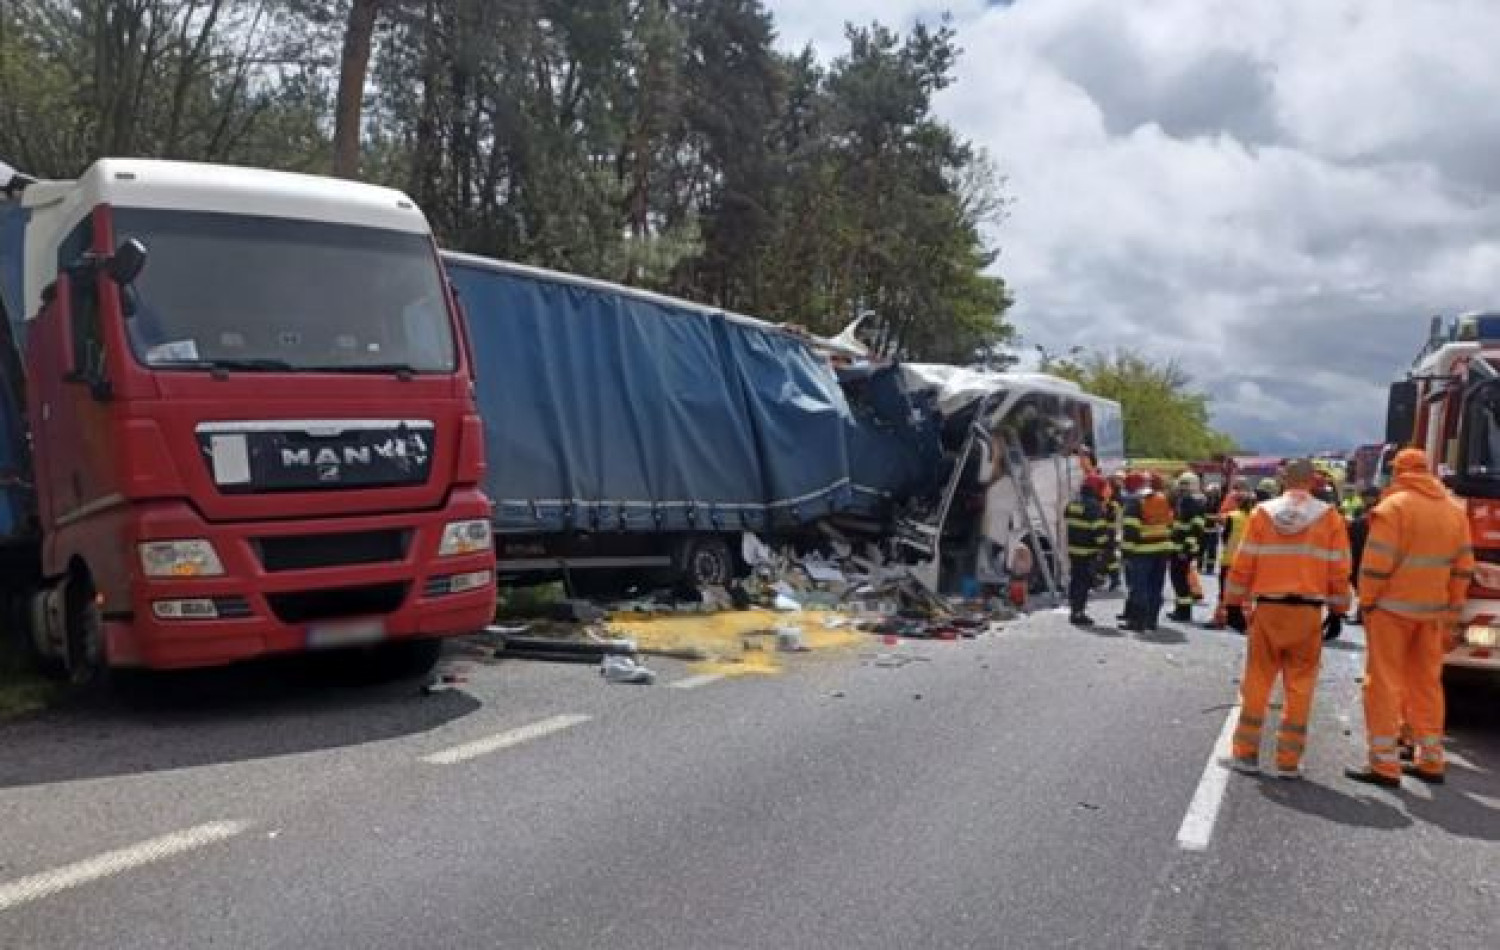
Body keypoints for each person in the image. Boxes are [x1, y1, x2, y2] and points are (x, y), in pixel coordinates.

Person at [1346, 448, 1473, 788]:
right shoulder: (1454, 512)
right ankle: (1431, 759)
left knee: (1385, 683)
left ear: (1399, 471)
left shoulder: (1393, 509)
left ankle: (1385, 765)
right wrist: (1453, 610)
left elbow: (1376, 564)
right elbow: (1463, 568)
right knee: (1426, 684)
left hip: (1391, 610)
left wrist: (1367, 601)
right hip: (1432, 612)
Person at [1222, 459, 1352, 778]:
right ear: (1314, 482)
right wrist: (1338, 611)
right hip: (1307, 614)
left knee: (1257, 680)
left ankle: (1246, 754)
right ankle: (1289, 762)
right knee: (1300, 686)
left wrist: (1234, 604)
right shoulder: (1329, 518)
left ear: (1283, 480)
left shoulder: (1262, 514)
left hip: (1268, 609)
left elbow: (1244, 562)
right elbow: (1339, 569)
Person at [1119, 472, 1175, 632]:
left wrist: (1126, 554)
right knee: (1155, 587)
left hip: (1141, 551)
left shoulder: (1135, 502)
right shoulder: (1163, 499)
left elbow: (1130, 531)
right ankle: (1152, 621)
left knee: (1139, 587)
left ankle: (1137, 622)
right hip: (1162, 549)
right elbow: (1170, 523)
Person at [1064, 475, 1112, 626]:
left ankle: (1074, 609)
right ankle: (1078, 614)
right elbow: (1099, 531)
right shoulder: (1094, 506)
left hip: (1073, 549)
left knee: (1076, 579)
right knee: (1083, 583)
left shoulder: (1072, 503)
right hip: (1087, 551)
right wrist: (1106, 548)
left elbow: (1067, 518)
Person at [1209, 490, 1256, 630]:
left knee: (1224, 591)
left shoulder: (1232, 516)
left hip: (1229, 559)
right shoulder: (1256, 517)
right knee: (1245, 593)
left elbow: (1225, 537)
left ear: (1239, 503)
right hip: (1248, 561)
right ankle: (1246, 621)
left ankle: (1221, 619)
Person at [1168, 472, 1207, 622]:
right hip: (1179, 547)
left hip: (1183, 549)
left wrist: (1186, 548)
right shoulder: (1185, 500)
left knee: (1180, 580)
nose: (1182, 487)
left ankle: (1184, 612)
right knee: (1178, 579)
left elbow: (1196, 527)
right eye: (1181, 484)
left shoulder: (1192, 502)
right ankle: (1180, 609)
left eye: (1185, 484)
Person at [1344, 485, 1382, 626]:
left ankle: (1362, 613)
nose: (1364, 500)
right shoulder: (1363, 510)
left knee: (1364, 582)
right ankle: (1362, 612)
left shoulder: (1381, 509)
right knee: (1359, 582)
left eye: (1366, 497)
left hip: (1368, 549)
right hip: (1359, 549)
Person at [1200, 483, 1224, 573]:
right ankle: (1199, 566)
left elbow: (1221, 515)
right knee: (1201, 549)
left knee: (1212, 550)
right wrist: (1214, 517)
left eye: (1215, 492)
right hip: (1204, 529)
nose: (1213, 494)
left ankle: (1210, 568)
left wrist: (1218, 518)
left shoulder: (1220, 502)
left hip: (1214, 530)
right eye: (1212, 492)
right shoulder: (1204, 501)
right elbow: (1202, 514)